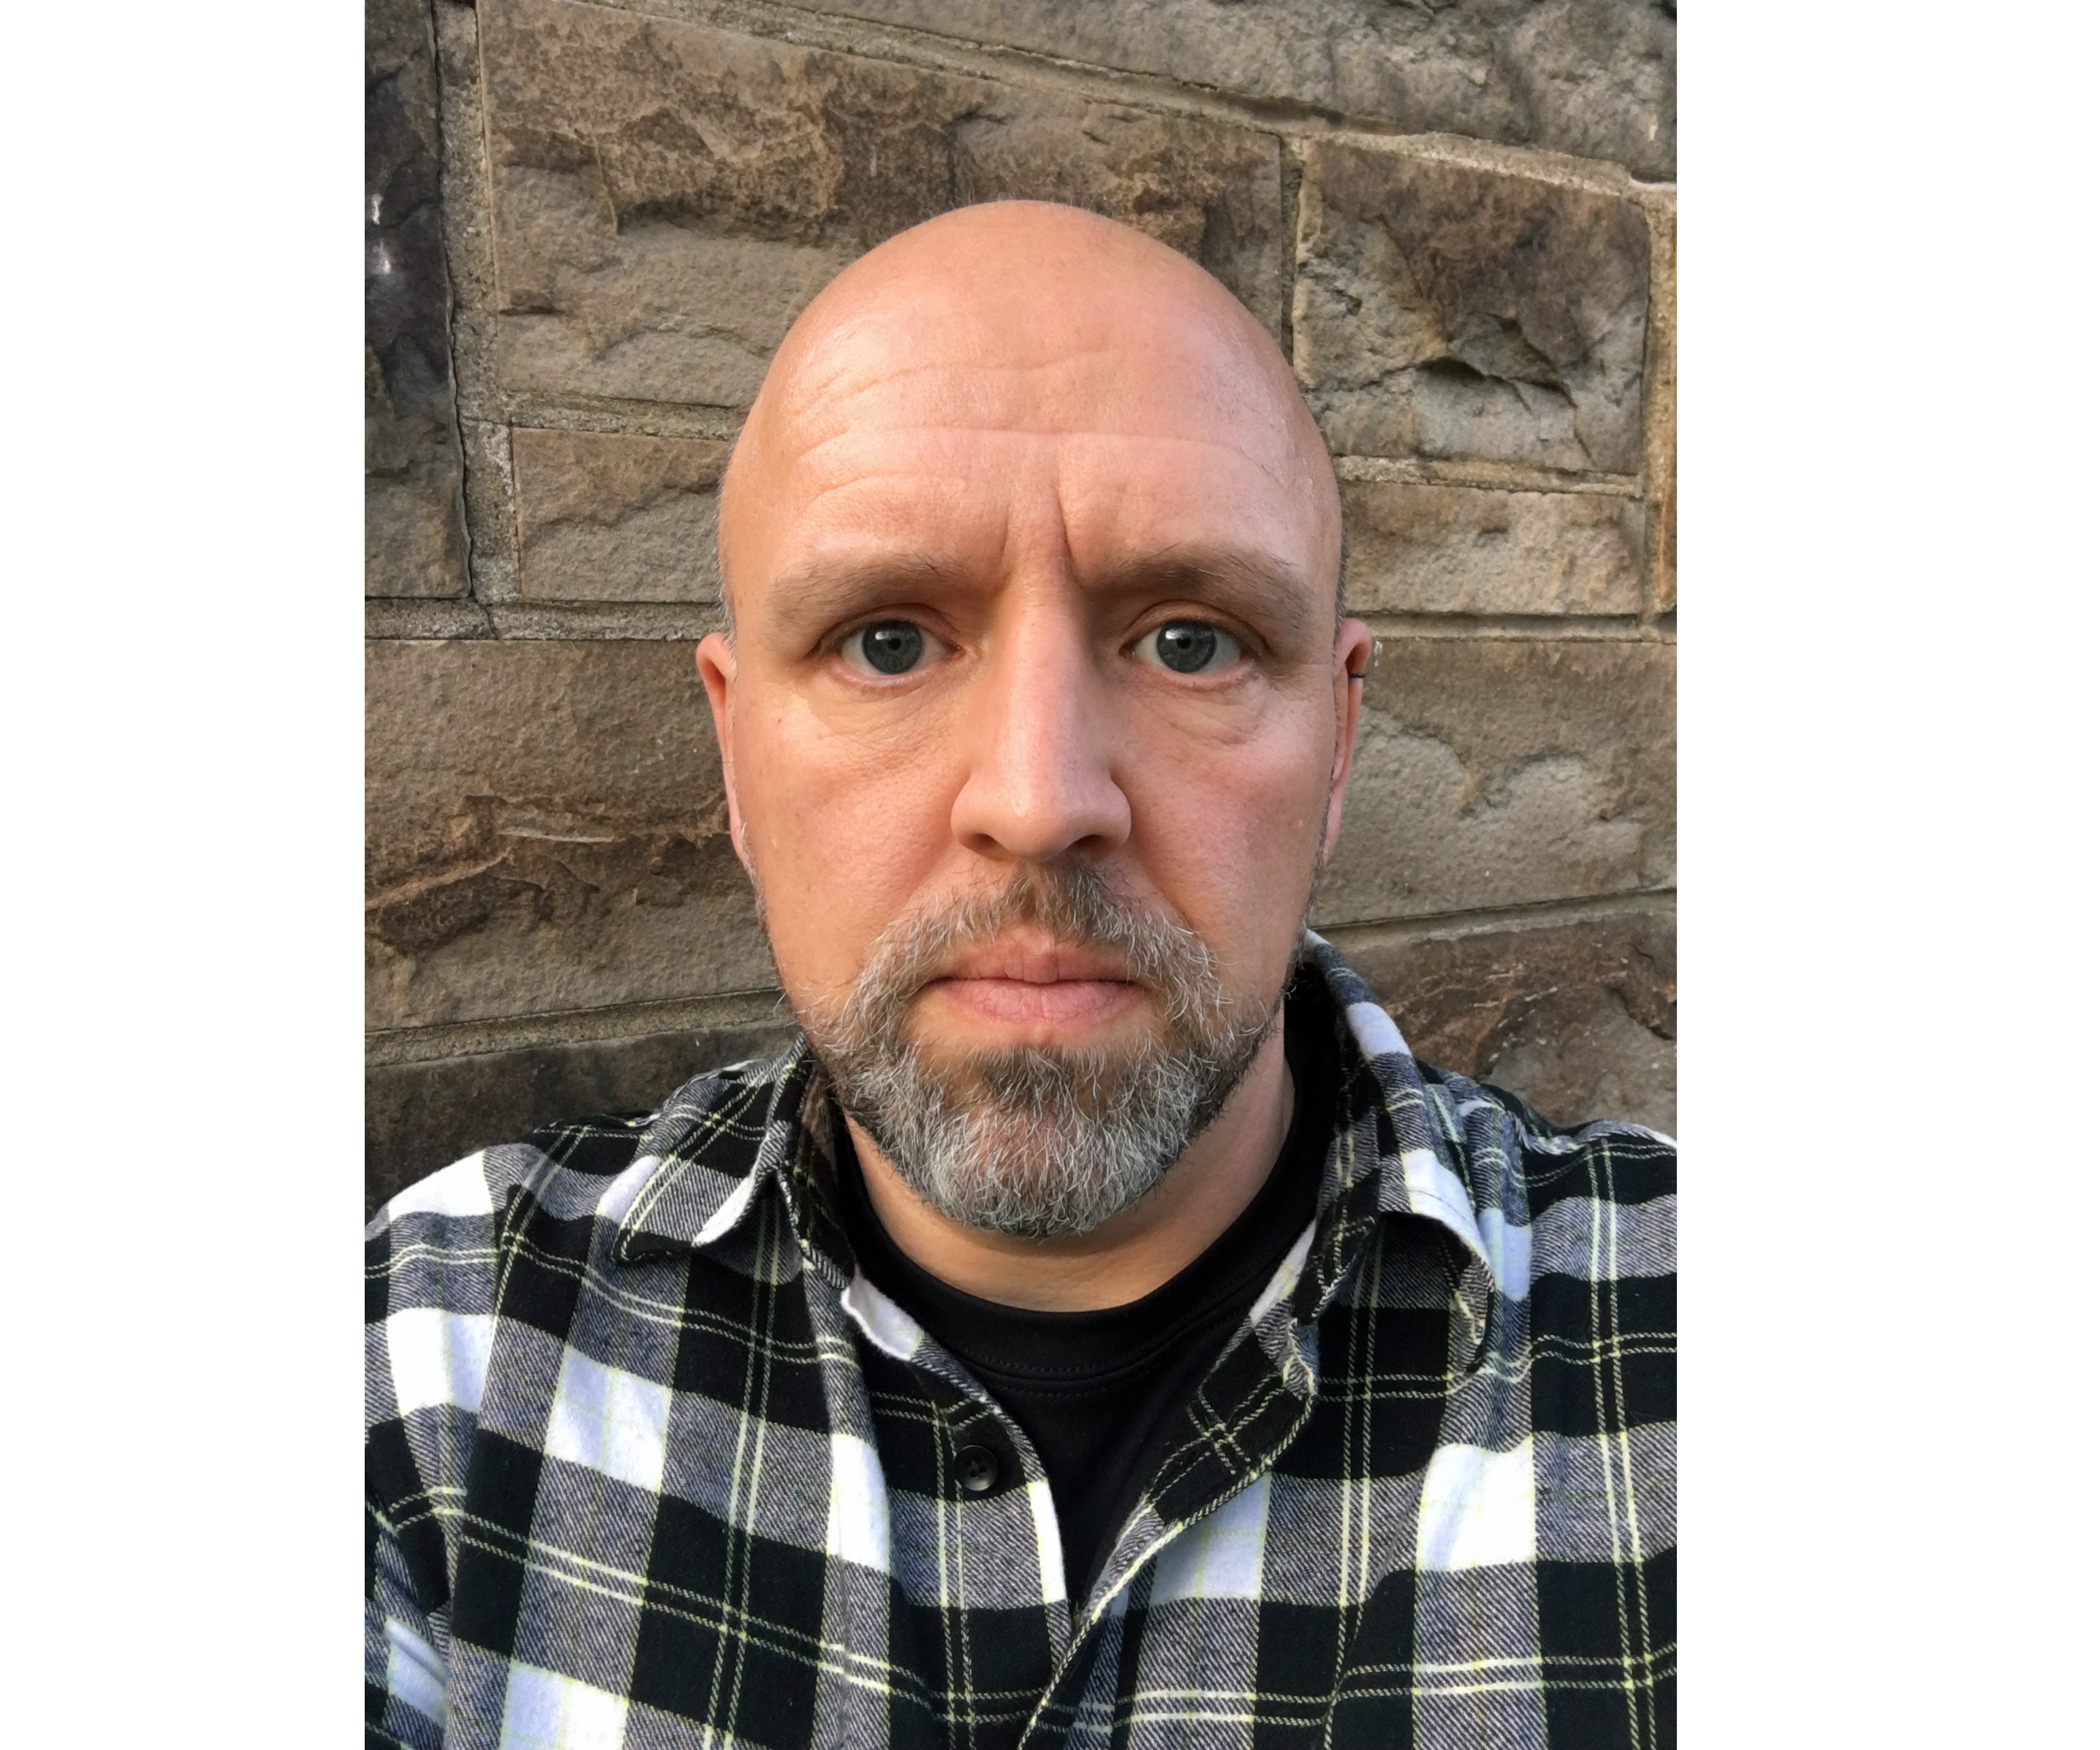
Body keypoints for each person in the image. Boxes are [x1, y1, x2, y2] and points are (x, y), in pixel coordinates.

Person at [368, 201, 1671, 1750]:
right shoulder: (445, 1362)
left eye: (1191, 641)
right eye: (890, 641)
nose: (1043, 797)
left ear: (1338, 741)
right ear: (734, 750)